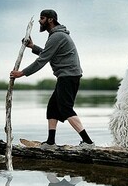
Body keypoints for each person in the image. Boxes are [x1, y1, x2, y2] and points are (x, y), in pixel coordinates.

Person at [9, 9, 94, 148]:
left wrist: (21, 73)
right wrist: (32, 46)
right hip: (67, 76)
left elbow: (42, 60)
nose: (39, 21)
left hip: (69, 76)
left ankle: (88, 142)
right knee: (52, 108)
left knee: (66, 109)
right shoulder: (56, 36)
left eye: (42, 18)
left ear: (50, 20)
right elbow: (48, 54)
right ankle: (50, 142)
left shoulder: (57, 36)